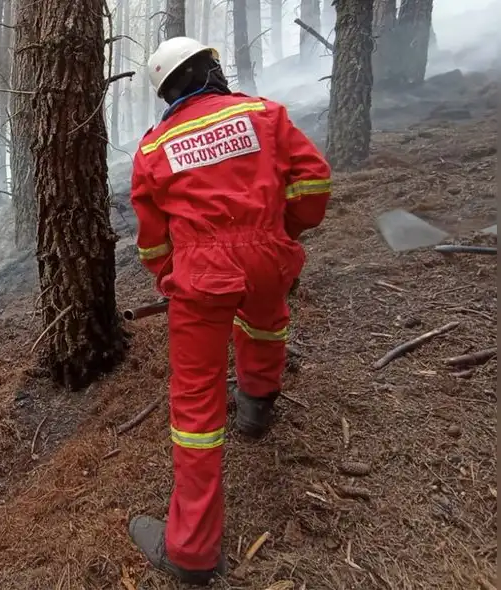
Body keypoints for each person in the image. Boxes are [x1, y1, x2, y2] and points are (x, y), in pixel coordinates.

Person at [127, 37, 331, 585]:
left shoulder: (153, 149)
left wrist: (174, 275)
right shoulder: (265, 114)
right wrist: (282, 233)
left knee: (195, 406)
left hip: (199, 275)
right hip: (268, 251)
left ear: (167, 90)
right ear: (210, 70)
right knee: (265, 322)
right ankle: (257, 405)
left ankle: (191, 550)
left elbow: (151, 244)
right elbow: (314, 181)